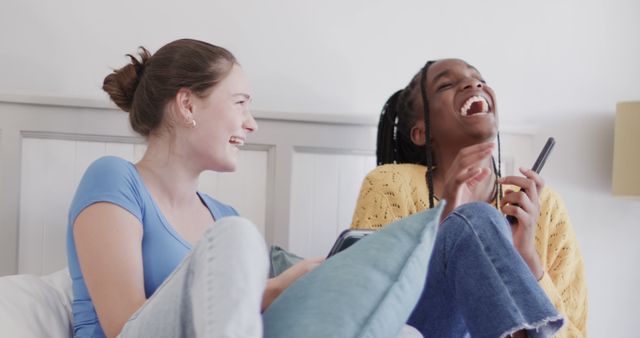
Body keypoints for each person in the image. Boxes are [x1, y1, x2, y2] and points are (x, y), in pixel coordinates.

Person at [66, 39, 322, 338]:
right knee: (236, 236)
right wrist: (270, 291)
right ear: (187, 105)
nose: (251, 124)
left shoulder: (224, 216)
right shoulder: (113, 178)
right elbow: (123, 328)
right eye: (240, 103)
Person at [350, 59, 588, 337]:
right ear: (422, 132)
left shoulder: (545, 207)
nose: (473, 84)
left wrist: (527, 257)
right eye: (447, 84)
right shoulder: (391, 184)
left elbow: (576, 332)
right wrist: (446, 221)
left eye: (480, 79)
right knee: (477, 217)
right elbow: (366, 305)